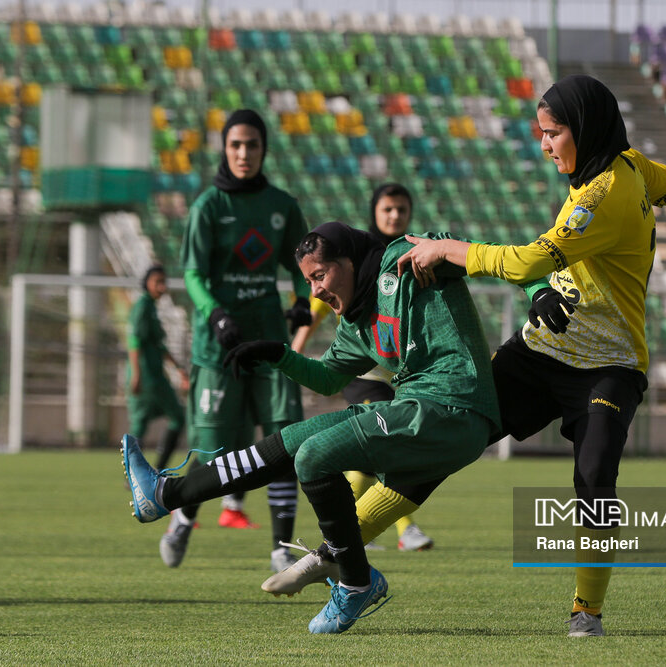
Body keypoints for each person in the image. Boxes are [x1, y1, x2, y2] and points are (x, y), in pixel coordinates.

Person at [390, 75, 666, 637]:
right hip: (544, 349)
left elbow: (524, 263)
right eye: (541, 133)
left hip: (611, 366)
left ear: (583, 130)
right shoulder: (631, 166)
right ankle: (340, 553)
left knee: (594, 479)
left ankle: (586, 612)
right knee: (446, 439)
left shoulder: (601, 194)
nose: (545, 145)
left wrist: (447, 248)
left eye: (553, 133)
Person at [123, 221, 500, 634]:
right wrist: (277, 354)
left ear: (349, 262)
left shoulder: (402, 261)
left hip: (454, 408)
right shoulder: (355, 324)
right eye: (308, 281)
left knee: (315, 455)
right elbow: (327, 379)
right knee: (290, 441)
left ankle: (356, 581)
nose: (315, 291)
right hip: (419, 410)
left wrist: (534, 288)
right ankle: (165, 495)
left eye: (319, 276)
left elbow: (490, 258)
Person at [165, 109, 313, 573]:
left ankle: (280, 550)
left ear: (263, 149)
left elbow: (304, 264)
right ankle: (185, 518)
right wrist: (216, 313)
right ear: (224, 150)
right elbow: (191, 274)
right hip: (218, 346)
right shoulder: (209, 206)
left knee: (283, 441)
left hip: (269, 342)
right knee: (213, 445)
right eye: (235, 145)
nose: (243, 153)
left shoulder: (282, 206)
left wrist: (303, 300)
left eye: (251, 144)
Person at [290, 183, 434, 553]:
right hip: (363, 372)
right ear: (374, 212)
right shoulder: (351, 255)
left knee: (371, 459)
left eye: (401, 209)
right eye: (387, 209)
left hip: (393, 373)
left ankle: (346, 529)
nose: (395, 216)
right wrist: (295, 353)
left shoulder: (407, 252)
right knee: (380, 449)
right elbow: (319, 302)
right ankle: (399, 530)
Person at [126, 265, 188, 471]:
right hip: (147, 376)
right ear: (147, 283)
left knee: (140, 424)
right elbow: (134, 341)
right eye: (157, 282)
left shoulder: (150, 306)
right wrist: (136, 374)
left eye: (164, 282)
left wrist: (178, 368)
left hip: (152, 374)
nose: (162, 287)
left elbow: (158, 345)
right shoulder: (142, 306)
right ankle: (156, 470)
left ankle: (136, 474)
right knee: (177, 417)